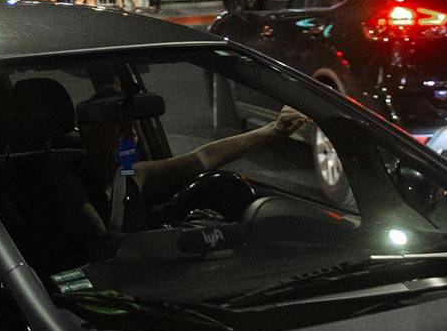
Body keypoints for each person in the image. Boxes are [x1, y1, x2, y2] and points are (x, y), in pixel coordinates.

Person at [53, 93, 308, 255]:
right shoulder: (67, 177)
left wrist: (273, 130)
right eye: (117, 127)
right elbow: (103, 242)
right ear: (88, 134)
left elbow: (203, 158)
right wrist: (177, 240)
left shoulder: (129, 174)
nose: (130, 133)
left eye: (132, 125)